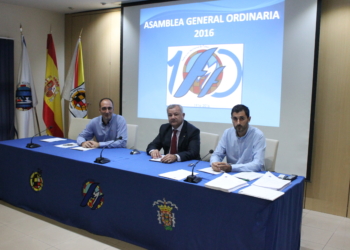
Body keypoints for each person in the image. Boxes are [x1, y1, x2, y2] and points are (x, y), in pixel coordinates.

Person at [210, 104, 265, 172]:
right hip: (230, 175)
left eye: (242, 119)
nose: (238, 122)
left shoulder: (258, 135)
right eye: (235, 119)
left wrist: (231, 168)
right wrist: (215, 163)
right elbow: (217, 154)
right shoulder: (227, 133)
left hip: (250, 175)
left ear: (249, 119)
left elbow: (258, 164)